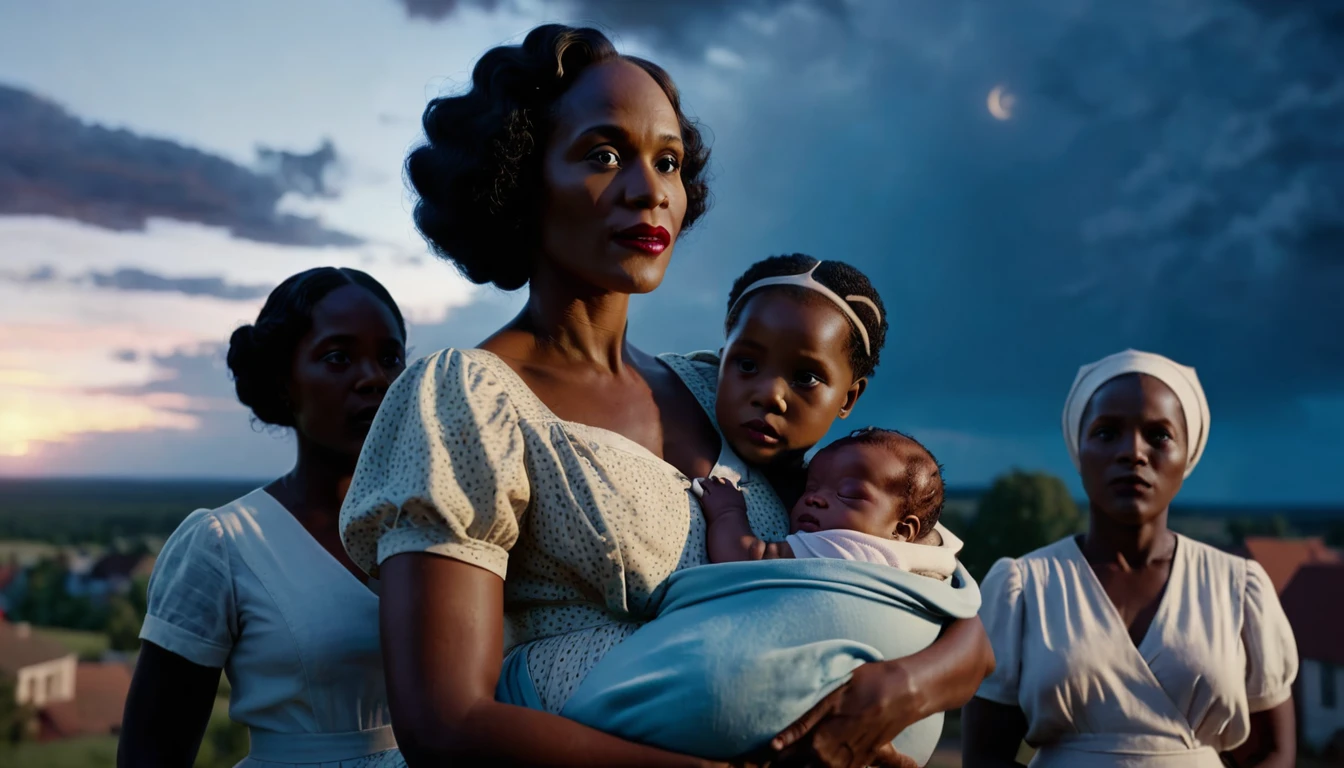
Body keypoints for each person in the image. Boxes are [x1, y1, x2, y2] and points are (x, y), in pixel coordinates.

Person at [339, 24, 994, 768]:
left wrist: (906, 687)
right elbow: (444, 725)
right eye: (603, 155)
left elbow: (927, 580)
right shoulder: (467, 400)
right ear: (521, 177)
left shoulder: (724, 387)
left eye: (669, 162)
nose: (649, 190)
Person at [119, 267, 409, 768]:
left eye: (389, 358)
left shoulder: (443, 525)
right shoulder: (224, 545)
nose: (373, 379)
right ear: (283, 382)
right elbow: (151, 753)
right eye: (338, 357)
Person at [961, 349, 1299, 768]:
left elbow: (1273, 752)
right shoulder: (1024, 587)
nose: (1133, 452)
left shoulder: (1237, 587)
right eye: (1107, 432)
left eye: (1159, 435)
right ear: (1078, 450)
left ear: (1187, 455)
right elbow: (984, 756)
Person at [698, 427, 961, 580]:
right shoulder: (934, 558)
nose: (815, 498)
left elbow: (745, 558)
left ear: (903, 531)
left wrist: (727, 509)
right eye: (810, 487)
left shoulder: (849, 548)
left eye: (848, 493)